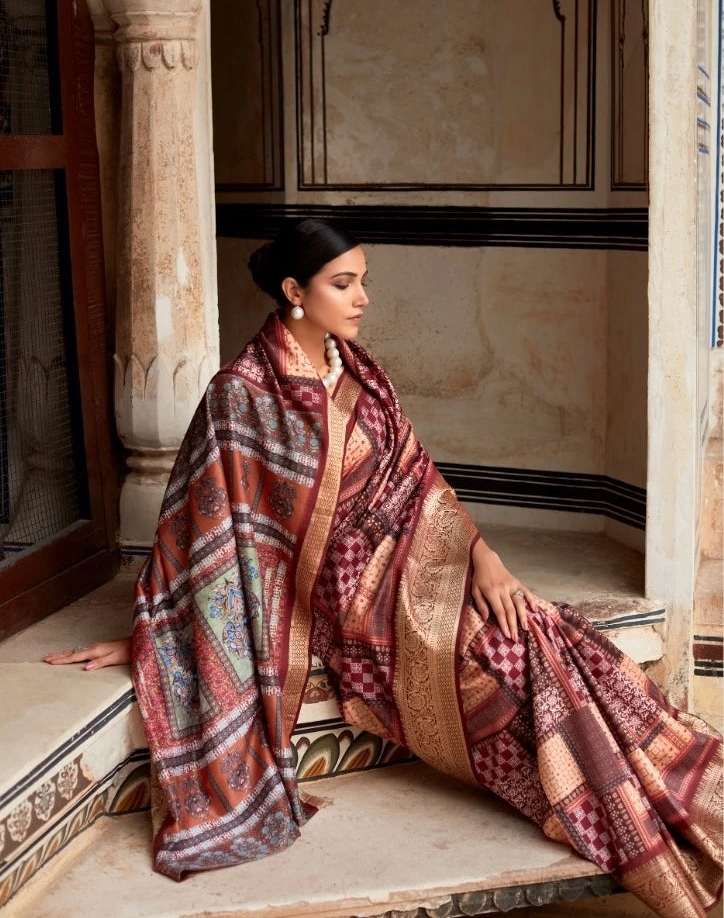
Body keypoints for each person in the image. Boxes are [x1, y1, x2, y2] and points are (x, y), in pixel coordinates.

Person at [45, 219, 722, 917]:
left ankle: (683, 796)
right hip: (355, 608)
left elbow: (418, 478)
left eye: (364, 280)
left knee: (552, 635)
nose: (363, 297)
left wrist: (483, 557)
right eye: (344, 283)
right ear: (293, 291)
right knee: (503, 666)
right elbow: (205, 541)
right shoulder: (239, 397)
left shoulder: (358, 370)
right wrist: (159, 640)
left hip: (426, 563)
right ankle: (627, 820)